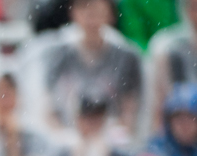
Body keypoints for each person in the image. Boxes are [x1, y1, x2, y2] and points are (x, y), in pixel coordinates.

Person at [41, 0, 144, 135]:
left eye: (97, 12)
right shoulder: (58, 54)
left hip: (112, 141)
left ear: (111, 14)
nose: (91, 19)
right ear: (73, 13)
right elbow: (48, 108)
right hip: (66, 140)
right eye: (84, 10)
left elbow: (129, 114)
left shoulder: (127, 57)